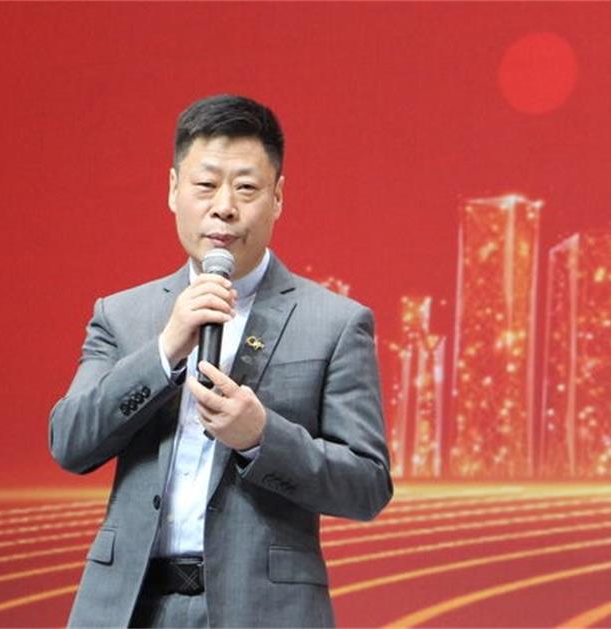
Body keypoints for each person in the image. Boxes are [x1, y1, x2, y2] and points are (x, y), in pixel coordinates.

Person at [49, 94, 392, 627]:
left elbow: (367, 486)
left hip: (263, 612)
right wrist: (164, 351)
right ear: (173, 190)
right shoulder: (121, 315)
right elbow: (70, 443)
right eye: (206, 185)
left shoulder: (335, 322)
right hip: (130, 608)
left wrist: (261, 437)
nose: (224, 206)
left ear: (277, 197)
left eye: (246, 188)